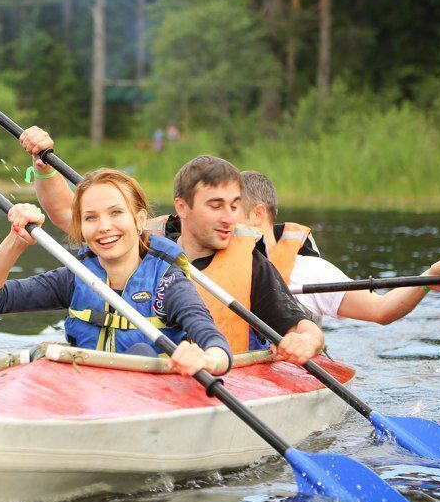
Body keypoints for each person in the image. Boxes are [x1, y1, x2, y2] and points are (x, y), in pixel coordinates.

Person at [18, 127, 322, 365]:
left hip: (220, 375)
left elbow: (303, 328)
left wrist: (307, 340)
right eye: (216, 206)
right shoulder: (141, 242)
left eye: (234, 206)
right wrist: (45, 167)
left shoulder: (251, 263)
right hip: (136, 368)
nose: (230, 218)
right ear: (183, 207)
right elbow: (66, 213)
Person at [0, 169, 231, 377]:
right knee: (45, 356)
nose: (104, 226)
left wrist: (207, 359)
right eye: (91, 218)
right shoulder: (75, 277)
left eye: (116, 213)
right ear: (81, 227)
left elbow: (215, 344)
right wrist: (17, 240)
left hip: (146, 397)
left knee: (139, 352)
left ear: (139, 220)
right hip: (86, 394)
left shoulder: (168, 283)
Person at [237, 170, 440, 325]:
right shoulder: (211, 267)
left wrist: (426, 280)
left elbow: (381, 310)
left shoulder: (309, 270)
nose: (224, 220)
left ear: (258, 214)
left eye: (232, 209)